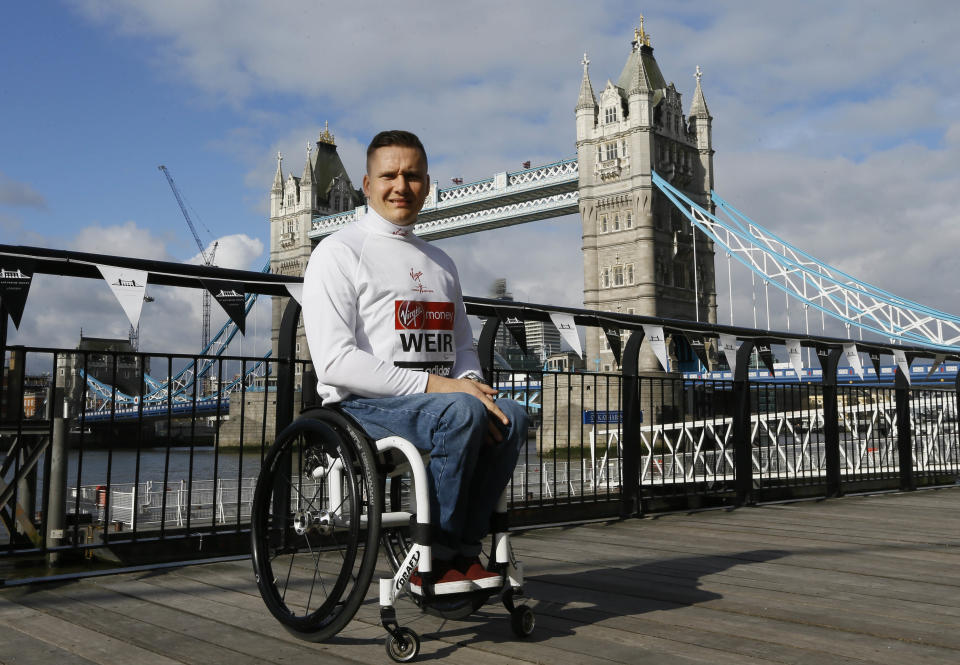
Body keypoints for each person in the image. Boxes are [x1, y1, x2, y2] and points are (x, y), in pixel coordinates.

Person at [302, 130, 528, 595]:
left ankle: (463, 551)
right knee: (462, 411)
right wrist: (446, 390)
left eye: (412, 175)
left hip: (436, 405)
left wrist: (470, 384)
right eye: (389, 175)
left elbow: (463, 346)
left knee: (514, 415)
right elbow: (335, 363)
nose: (400, 186)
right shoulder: (337, 252)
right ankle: (438, 557)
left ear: (427, 184)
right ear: (367, 185)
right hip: (361, 408)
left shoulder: (440, 261)